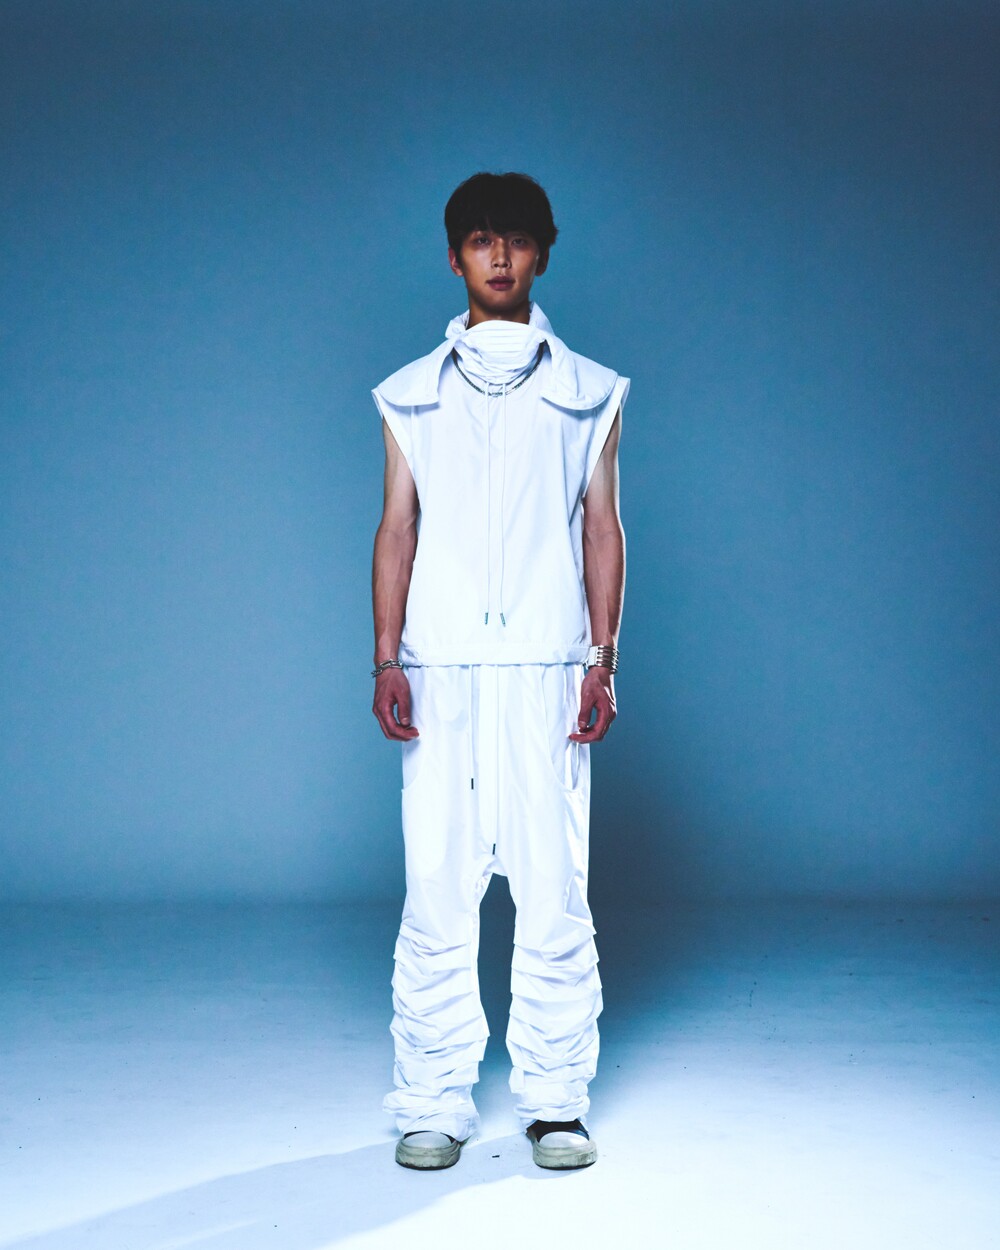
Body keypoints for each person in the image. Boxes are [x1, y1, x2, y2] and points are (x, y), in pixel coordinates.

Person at [370, 172, 627, 1172]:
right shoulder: (410, 393)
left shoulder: (590, 391)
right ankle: (431, 1099)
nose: (500, 256)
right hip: (439, 667)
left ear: (542, 251)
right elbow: (397, 528)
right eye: (481, 239)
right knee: (437, 888)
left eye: (515, 239)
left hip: (546, 667)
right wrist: (386, 656)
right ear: (455, 256)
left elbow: (601, 529)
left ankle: (555, 1103)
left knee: (554, 891)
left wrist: (601, 659)